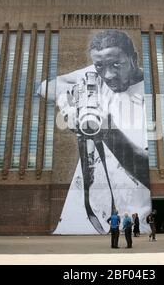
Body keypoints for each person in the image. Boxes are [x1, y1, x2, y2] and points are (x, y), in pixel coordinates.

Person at [42, 30, 151, 235]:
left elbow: (147, 172)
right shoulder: (98, 73)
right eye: (100, 66)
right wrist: (68, 105)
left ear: (133, 59)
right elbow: (44, 87)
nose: (108, 75)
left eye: (116, 65)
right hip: (80, 220)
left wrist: (108, 132)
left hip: (133, 220)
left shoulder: (150, 91)